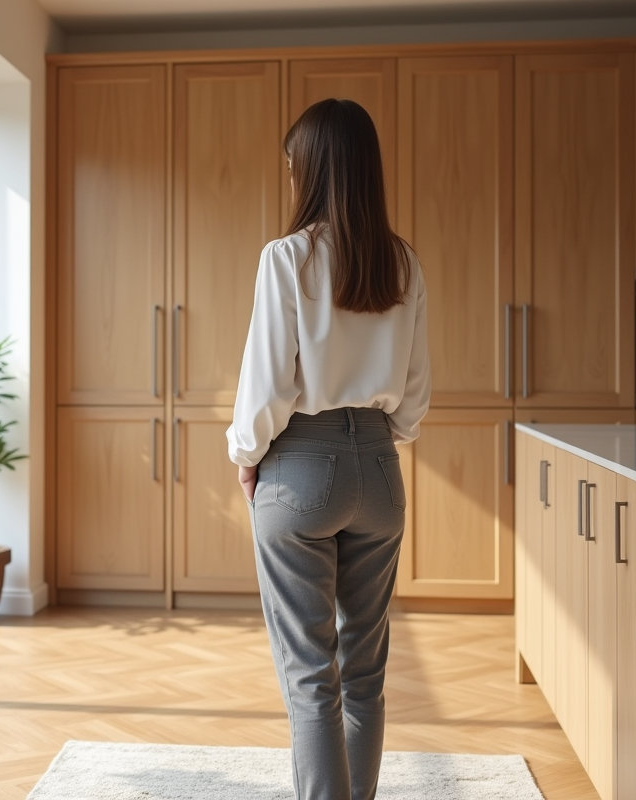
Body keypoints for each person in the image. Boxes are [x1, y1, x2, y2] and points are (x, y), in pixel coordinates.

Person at [225, 98, 431, 800]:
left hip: (299, 468)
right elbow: (414, 396)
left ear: (310, 172)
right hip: (378, 472)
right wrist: (374, 444)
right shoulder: (403, 263)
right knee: (364, 672)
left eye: (292, 168)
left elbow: (265, 382)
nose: (290, 180)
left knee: (312, 673)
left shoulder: (286, 258)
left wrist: (247, 457)